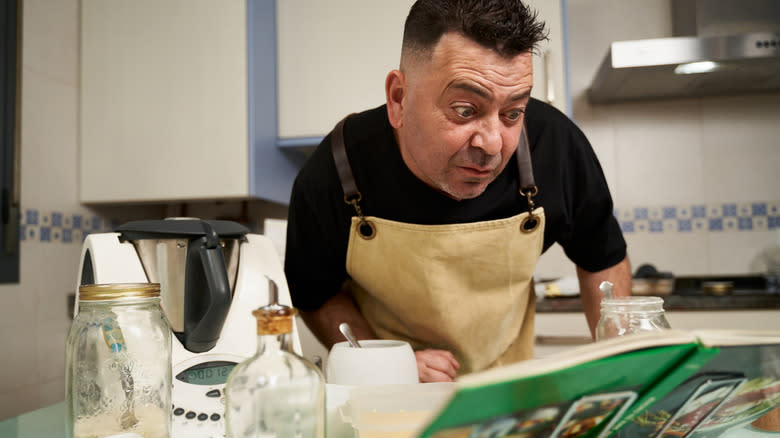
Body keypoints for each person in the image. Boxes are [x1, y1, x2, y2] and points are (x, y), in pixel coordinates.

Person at [284, 0, 632, 383]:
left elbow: (601, 259)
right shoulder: (336, 170)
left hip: (505, 387)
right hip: (389, 391)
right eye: (465, 110)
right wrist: (386, 363)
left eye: (513, 113)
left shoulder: (555, 145)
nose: (493, 144)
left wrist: (625, 373)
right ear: (399, 99)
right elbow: (315, 296)